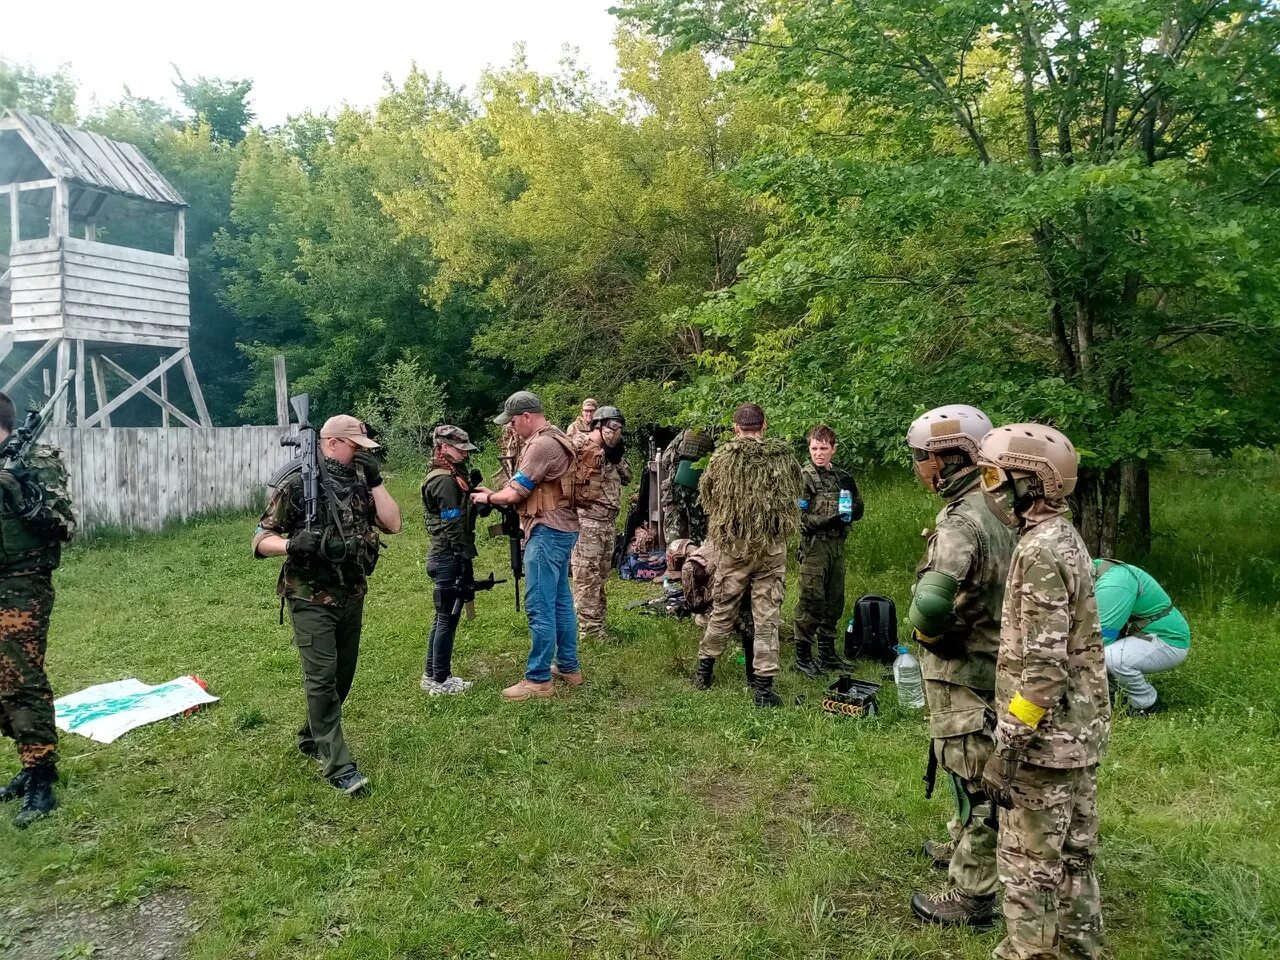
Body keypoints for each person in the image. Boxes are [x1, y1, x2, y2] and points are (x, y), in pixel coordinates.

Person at [977, 423, 1110, 960]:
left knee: (1028, 870)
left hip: (1044, 746)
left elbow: (1043, 670)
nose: (990, 489)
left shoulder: (1036, 551)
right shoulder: (1066, 537)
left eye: (995, 477)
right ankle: (1080, 949)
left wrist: (1006, 750)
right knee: (1076, 856)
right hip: (1080, 737)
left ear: (1030, 483)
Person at [903, 405, 1018, 929]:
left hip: (964, 665)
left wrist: (927, 633)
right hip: (995, 658)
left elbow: (929, 605)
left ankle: (972, 896)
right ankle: (958, 842)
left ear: (948, 458)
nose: (917, 468)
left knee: (974, 772)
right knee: (963, 761)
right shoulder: (1001, 506)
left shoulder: (962, 521)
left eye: (920, 458)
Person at [253, 415, 402, 795]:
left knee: (342, 677)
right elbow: (259, 539)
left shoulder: (358, 481)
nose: (361, 455)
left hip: (351, 591)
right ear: (332, 443)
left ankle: (311, 736)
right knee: (321, 682)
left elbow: (393, 524)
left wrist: (377, 480)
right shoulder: (298, 484)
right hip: (310, 595)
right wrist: (291, 545)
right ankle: (339, 766)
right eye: (356, 448)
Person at [472, 391, 582, 701]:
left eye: (512, 423)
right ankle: (569, 666)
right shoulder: (557, 436)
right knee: (560, 600)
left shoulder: (541, 444)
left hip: (547, 532)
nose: (510, 428)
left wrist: (488, 497)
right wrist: (495, 492)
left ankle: (538, 678)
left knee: (539, 606)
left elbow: (514, 494)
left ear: (527, 417)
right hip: (562, 529)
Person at [691, 403, 801, 707]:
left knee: (723, 608)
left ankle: (704, 671)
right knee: (767, 615)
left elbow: (709, 496)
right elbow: (795, 495)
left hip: (734, 547)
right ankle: (763, 687)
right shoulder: (783, 456)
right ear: (764, 425)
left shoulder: (723, 458)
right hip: (771, 547)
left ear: (736, 428)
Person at [0, 392, 75, 828]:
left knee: (21, 682)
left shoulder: (35, 461)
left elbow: (63, 525)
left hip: (21, 583)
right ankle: (30, 759)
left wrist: (23, 496)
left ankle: (41, 775)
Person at [792, 425, 863, 677]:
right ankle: (802, 655)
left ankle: (827, 652)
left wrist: (853, 510)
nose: (818, 453)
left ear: (833, 449)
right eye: (814, 448)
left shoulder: (841, 476)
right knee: (812, 600)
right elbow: (800, 520)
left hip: (837, 545)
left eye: (823, 448)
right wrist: (831, 518)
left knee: (834, 599)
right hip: (815, 547)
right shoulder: (805, 477)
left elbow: (858, 506)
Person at [421, 425, 482, 696]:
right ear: (443, 447)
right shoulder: (443, 480)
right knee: (447, 617)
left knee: (443, 616)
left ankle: (433, 674)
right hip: (448, 555)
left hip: (447, 554)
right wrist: (463, 556)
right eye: (459, 449)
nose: (464, 455)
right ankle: (440, 679)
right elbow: (452, 522)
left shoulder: (451, 474)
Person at [1093, 558, 1189, 714]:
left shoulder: (1114, 584)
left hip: (1167, 640)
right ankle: (1113, 692)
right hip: (1141, 636)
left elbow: (1103, 637)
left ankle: (1146, 702)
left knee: (1110, 656)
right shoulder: (1098, 570)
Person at [571, 405, 631, 641]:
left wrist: (614, 454)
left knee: (602, 576)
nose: (616, 432)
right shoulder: (580, 444)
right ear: (598, 425)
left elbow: (627, 477)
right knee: (586, 576)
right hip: (587, 520)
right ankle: (589, 630)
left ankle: (599, 625)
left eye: (619, 428)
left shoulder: (613, 451)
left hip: (608, 522)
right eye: (612, 427)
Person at [660, 427, 714, 544]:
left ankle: (674, 555)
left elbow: (665, 459)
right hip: (698, 488)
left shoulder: (683, 435)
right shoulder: (710, 440)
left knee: (673, 527)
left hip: (677, 487)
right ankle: (697, 557)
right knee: (698, 531)